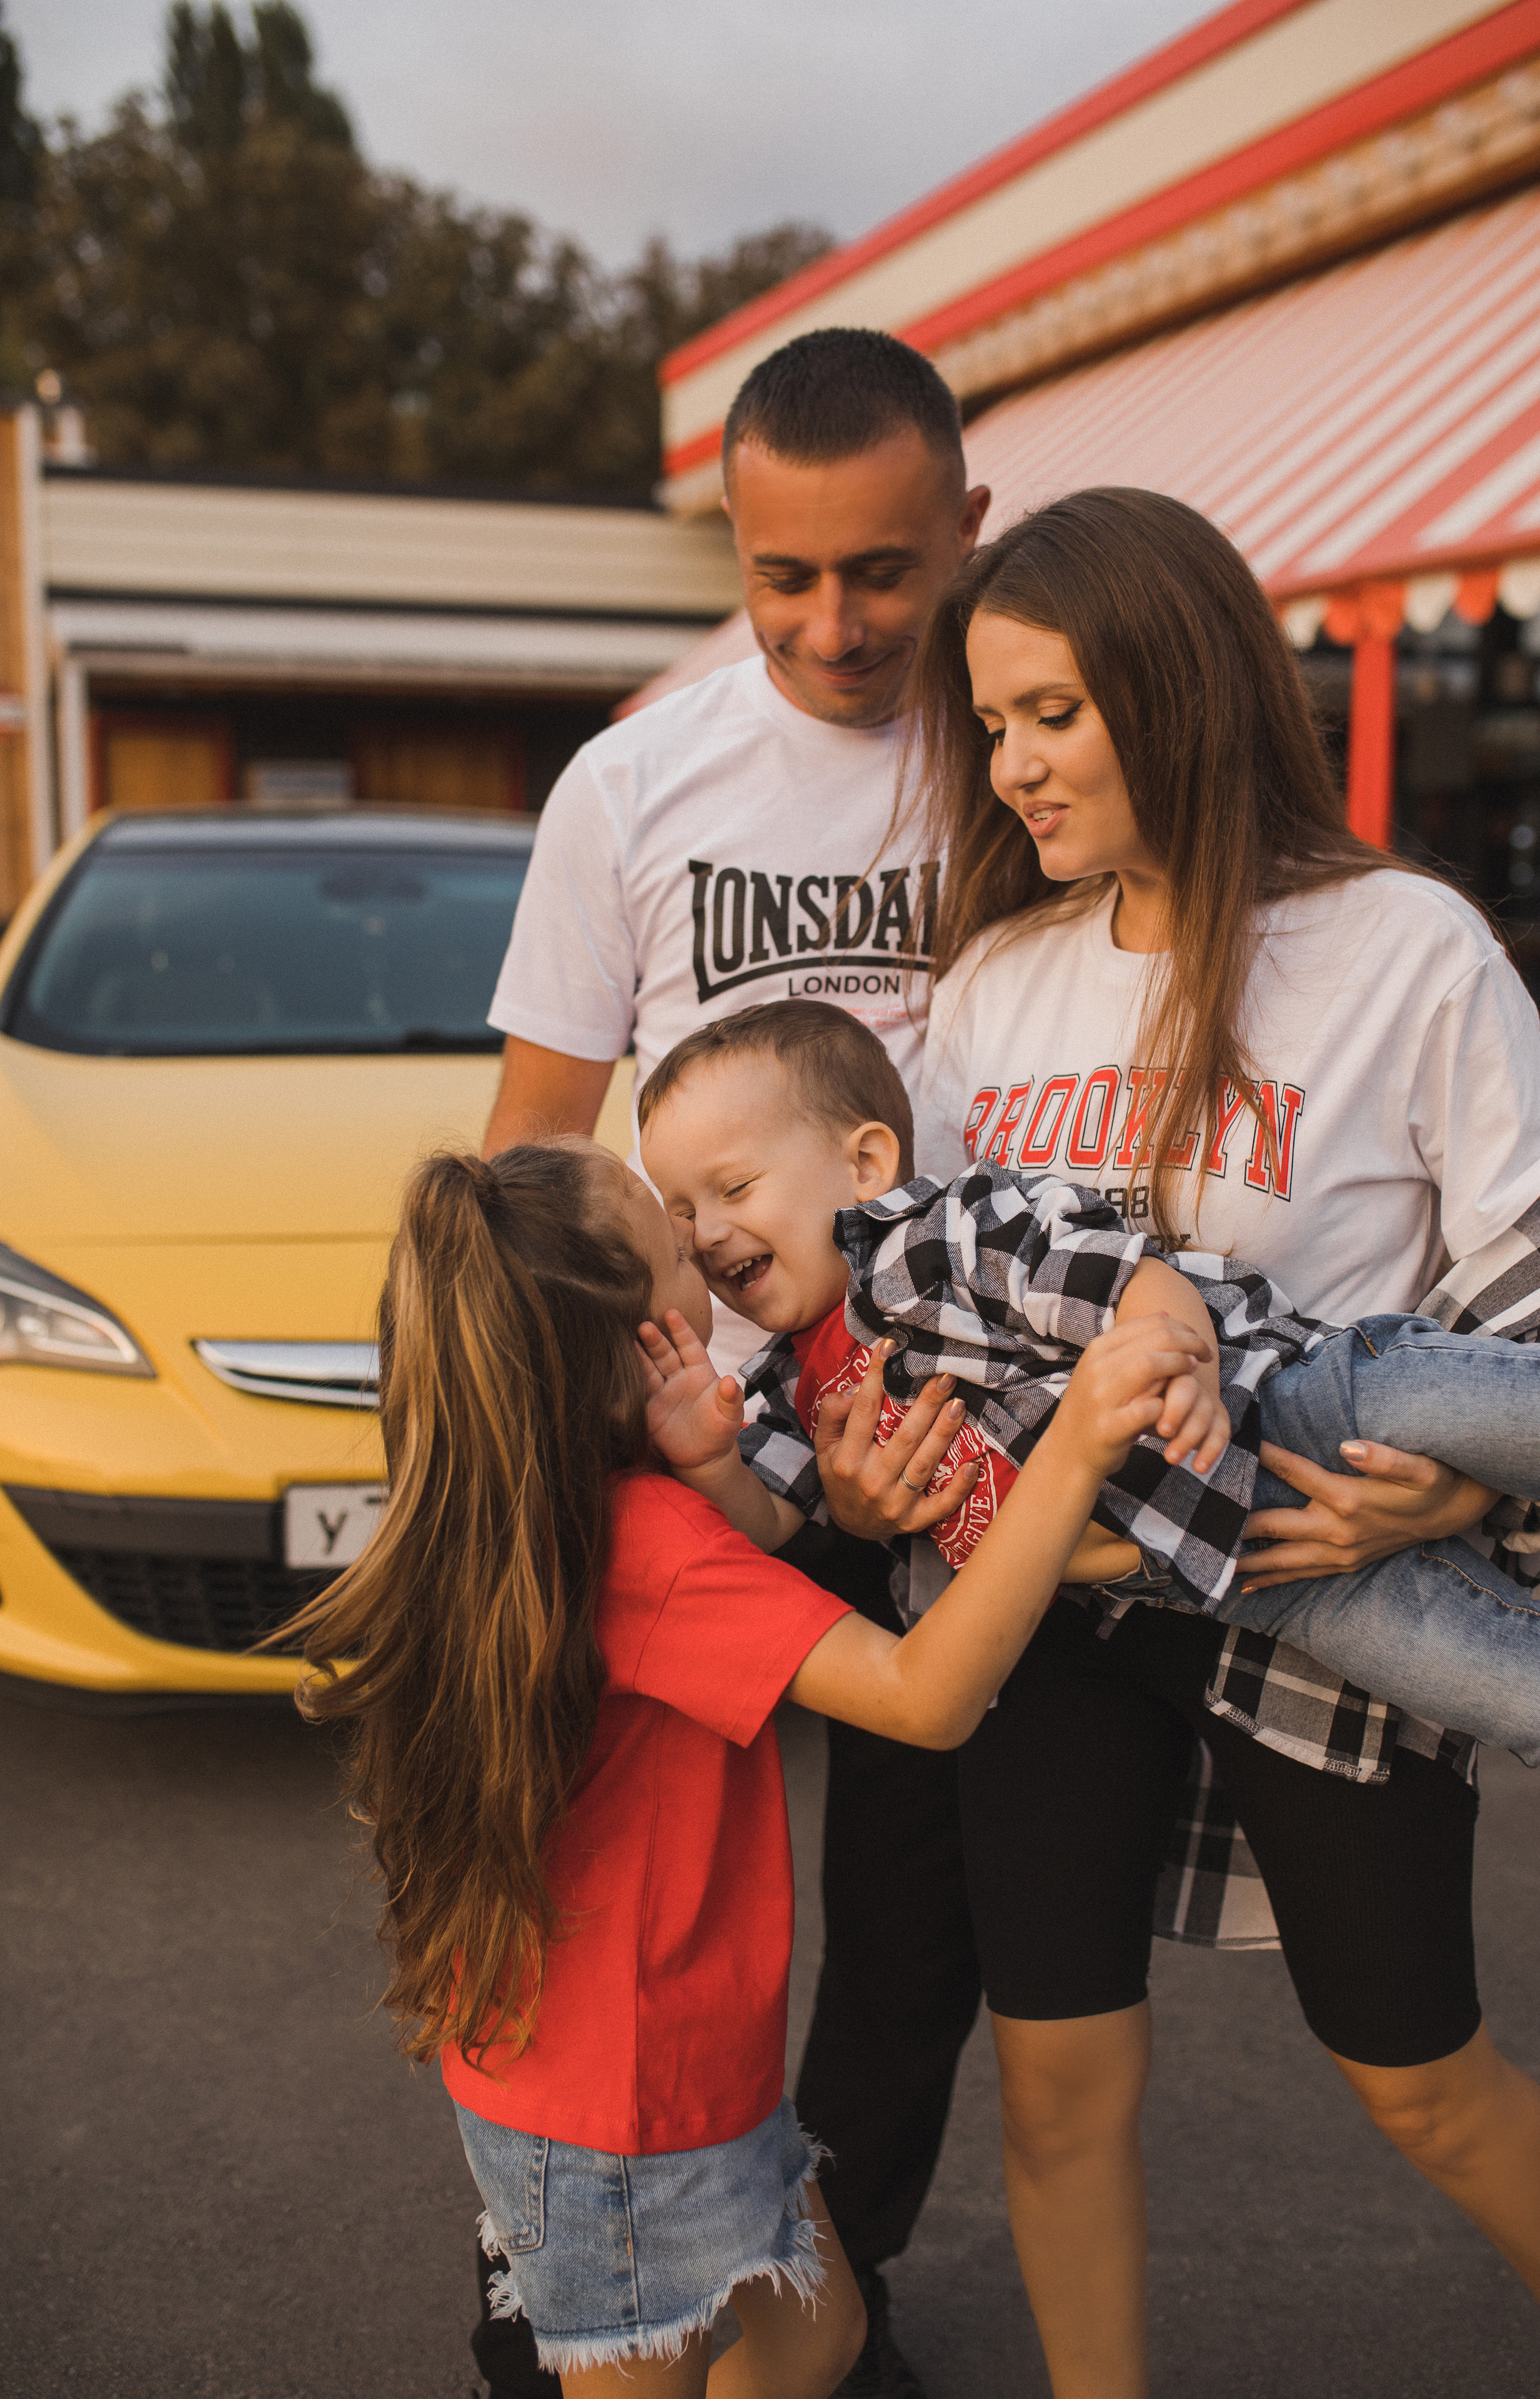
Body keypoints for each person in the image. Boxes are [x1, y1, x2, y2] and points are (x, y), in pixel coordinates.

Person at [815, 488, 1540, 2397]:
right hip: (1066, 1608)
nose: (1011, 770)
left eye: (1053, 715)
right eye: (991, 725)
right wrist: (863, 1467)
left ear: (1176, 688)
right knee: (1061, 2077)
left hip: (1316, 1582)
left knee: (1417, 2075)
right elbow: (926, 1302)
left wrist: (1475, 1489)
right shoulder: (1000, 985)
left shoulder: (1405, 946)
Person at [281, 1140, 1198, 2395]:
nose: (700, 1237)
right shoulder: (648, 1546)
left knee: (818, 2338)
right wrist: (1076, 1447)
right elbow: (924, 1701)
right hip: (624, 2124)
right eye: (673, 1234)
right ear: (655, 1326)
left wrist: (708, 1461)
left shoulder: (536, 1510)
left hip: (669, 2080)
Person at [479, 327, 995, 2399]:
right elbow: (529, 1148)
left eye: (884, 567)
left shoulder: (1034, 747)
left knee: (906, 1943)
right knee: (616, 1897)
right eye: (787, 576)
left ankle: (805, 2292)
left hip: (966, 1425)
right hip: (705, 1433)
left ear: (970, 524)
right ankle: (561, 2273)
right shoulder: (634, 782)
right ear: (735, 542)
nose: (837, 621)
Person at [629, 996, 1540, 1779]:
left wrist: (1184, 1365)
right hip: (1246, 1580)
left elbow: (1119, 1272)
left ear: (868, 1163)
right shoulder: (790, 1385)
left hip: (1298, 1402)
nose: (705, 1233)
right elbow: (766, 1528)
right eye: (680, 1216)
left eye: (735, 1188)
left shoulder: (923, 1245)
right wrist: (713, 1463)